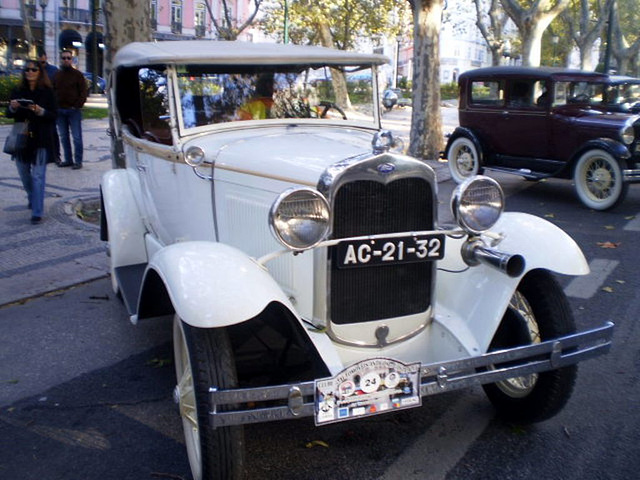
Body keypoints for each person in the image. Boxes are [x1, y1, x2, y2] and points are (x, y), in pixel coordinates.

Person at [6, 59, 57, 225]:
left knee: (38, 176)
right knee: (23, 173)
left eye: (34, 69)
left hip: (41, 137)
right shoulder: (18, 90)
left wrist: (39, 110)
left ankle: (37, 211)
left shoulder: (48, 92)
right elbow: (9, 113)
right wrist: (13, 107)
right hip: (21, 136)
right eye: (27, 69)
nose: (30, 72)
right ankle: (32, 195)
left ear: (40, 72)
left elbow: (53, 115)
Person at [53, 50, 88, 169]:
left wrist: (77, 105)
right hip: (60, 111)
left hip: (74, 111)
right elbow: (53, 91)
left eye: (68, 58)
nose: (66, 60)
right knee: (63, 137)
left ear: (72, 60)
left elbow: (83, 91)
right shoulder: (57, 75)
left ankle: (78, 161)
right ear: (61, 60)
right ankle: (68, 159)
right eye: (64, 58)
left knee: (77, 137)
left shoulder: (78, 75)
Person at [37, 48, 61, 164]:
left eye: (43, 61)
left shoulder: (53, 70)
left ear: (46, 58)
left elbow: (57, 87)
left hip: (50, 104)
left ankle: (56, 155)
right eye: (39, 62)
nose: (41, 64)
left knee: (53, 131)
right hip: (37, 104)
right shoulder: (34, 70)